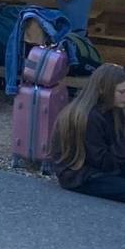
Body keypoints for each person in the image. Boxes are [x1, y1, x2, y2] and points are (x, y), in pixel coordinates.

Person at [53, 63, 125, 203]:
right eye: (121, 92)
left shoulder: (113, 109)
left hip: (107, 167)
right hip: (82, 175)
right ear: (103, 89)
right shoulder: (88, 117)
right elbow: (105, 163)